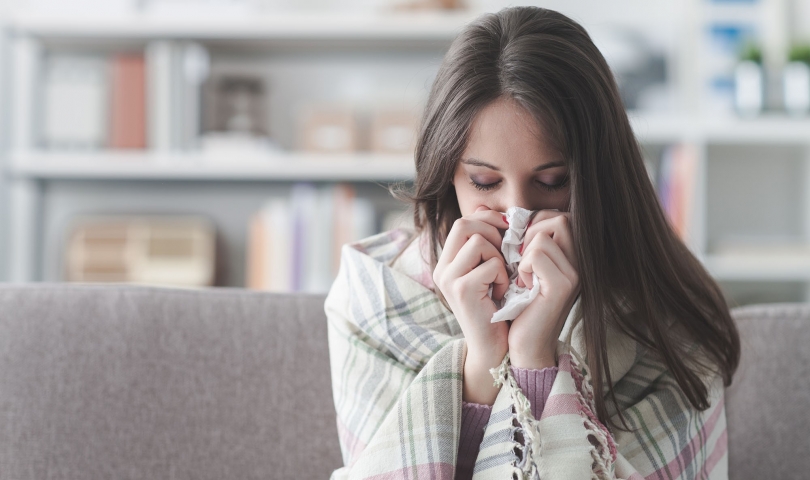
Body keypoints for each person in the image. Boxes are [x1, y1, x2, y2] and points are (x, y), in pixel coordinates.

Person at [325, 6, 740, 480]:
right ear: (447, 175)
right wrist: (482, 360)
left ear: (599, 178)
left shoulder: (666, 316)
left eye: (552, 182)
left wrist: (535, 358)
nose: (516, 213)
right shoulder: (374, 298)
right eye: (483, 182)